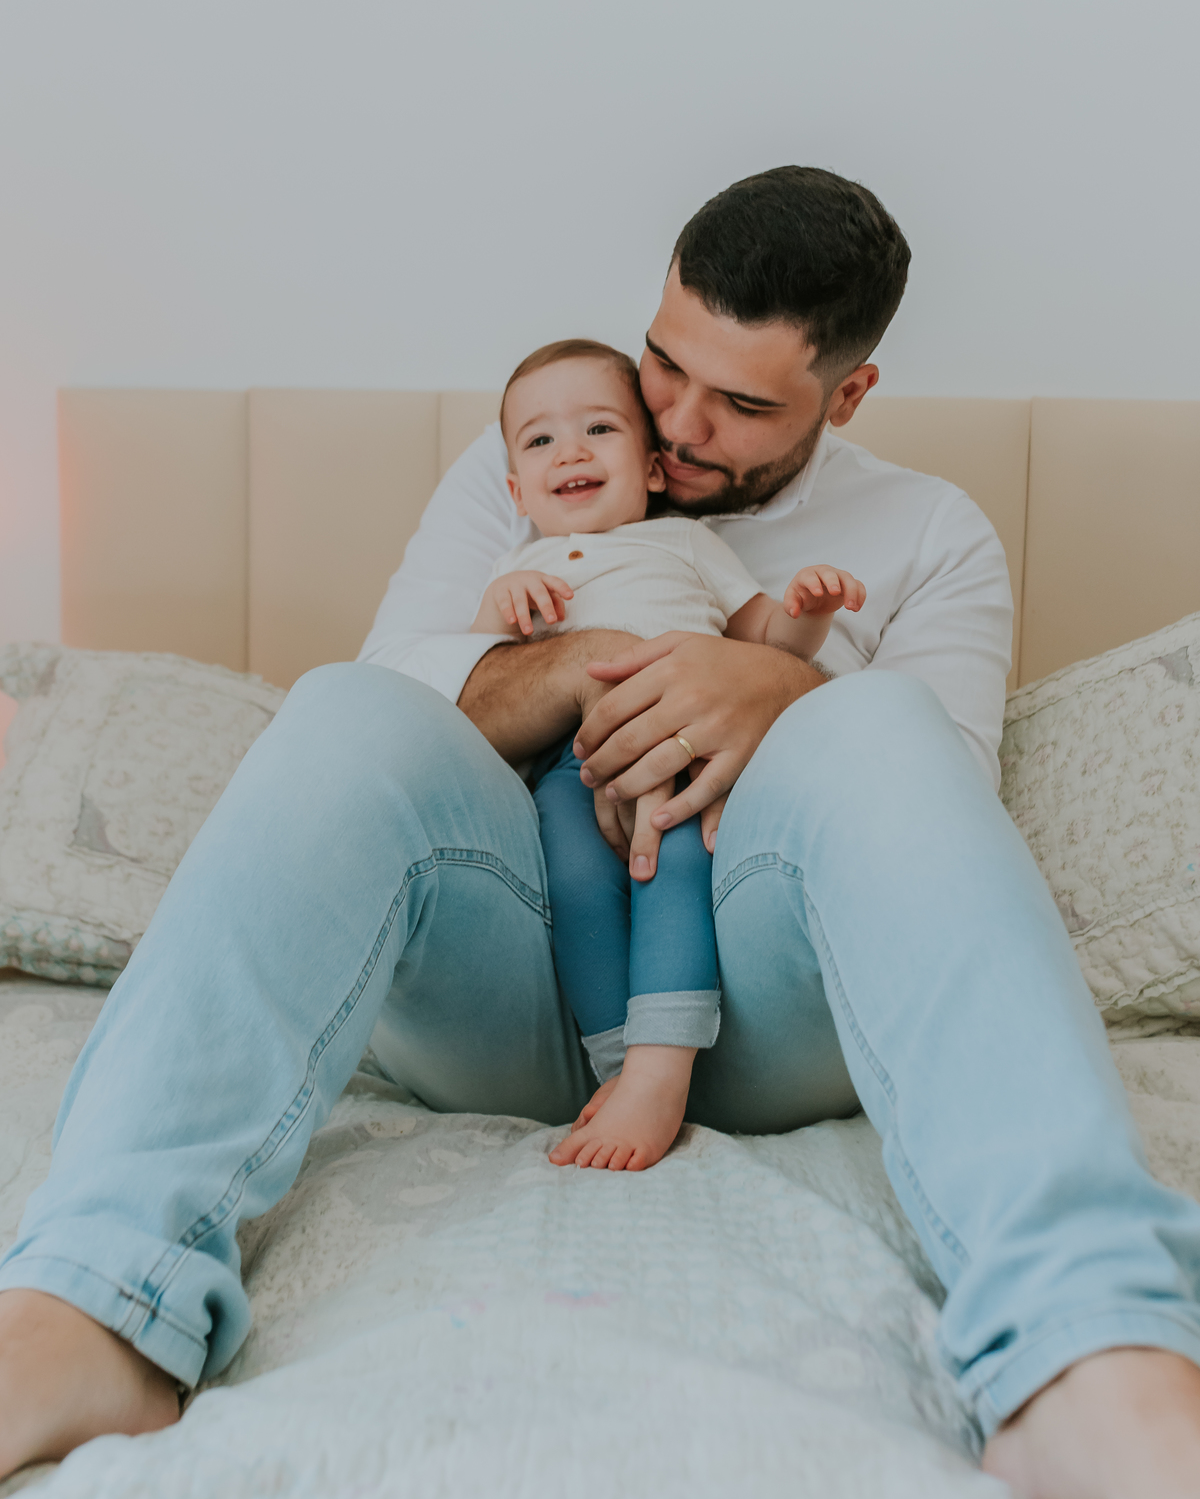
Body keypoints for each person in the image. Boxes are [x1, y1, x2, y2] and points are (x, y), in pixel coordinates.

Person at [3, 167, 1200, 1499]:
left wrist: (778, 685)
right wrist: (594, 661)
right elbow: (403, 704)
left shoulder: (931, 531)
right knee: (344, 707)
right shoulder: (533, 453)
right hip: (503, 976)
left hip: (763, 1008)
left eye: (742, 403)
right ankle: (94, 1299)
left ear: (848, 394)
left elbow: (945, 808)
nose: (675, 425)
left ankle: (1089, 1340)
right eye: (665, 362)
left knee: (889, 724)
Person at [475, 335, 863, 1170]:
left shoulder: (683, 543)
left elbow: (764, 638)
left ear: (653, 469)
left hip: (691, 758)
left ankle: (663, 1070)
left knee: (674, 873)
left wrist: (807, 612)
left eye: (600, 429)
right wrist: (498, 607)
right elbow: (474, 687)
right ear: (516, 489)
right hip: (570, 770)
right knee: (575, 885)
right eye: (540, 440)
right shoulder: (519, 564)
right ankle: (617, 1065)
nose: (570, 450)